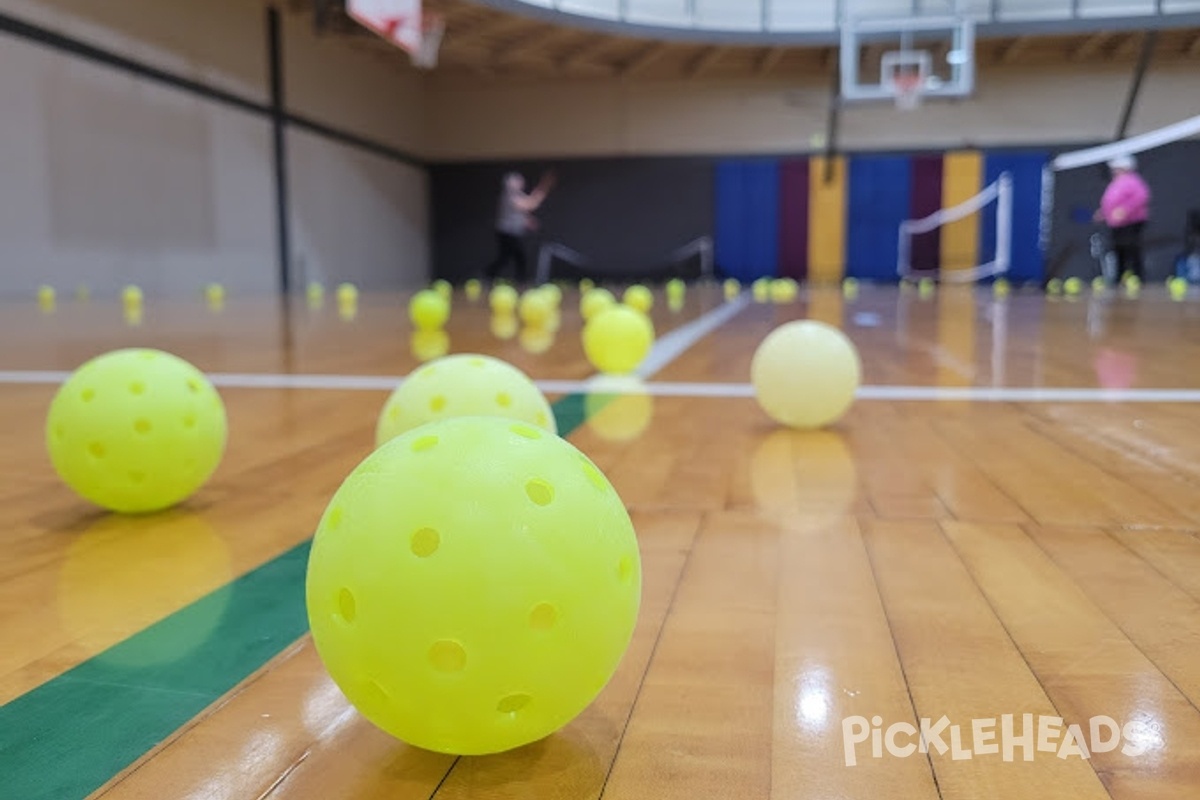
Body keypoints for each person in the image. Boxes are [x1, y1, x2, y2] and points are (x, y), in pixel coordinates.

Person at [484, 171, 555, 286]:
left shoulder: (517, 195)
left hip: (511, 232)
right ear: (510, 184)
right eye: (517, 181)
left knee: (506, 257)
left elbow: (522, 211)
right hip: (506, 232)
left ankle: (489, 275)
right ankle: (519, 280)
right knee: (518, 256)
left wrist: (528, 221)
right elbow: (530, 204)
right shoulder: (509, 196)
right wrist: (540, 193)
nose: (521, 183)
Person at [1094, 154, 1151, 284]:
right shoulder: (1117, 182)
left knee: (1130, 248)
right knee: (1119, 249)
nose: (1114, 170)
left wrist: (1124, 210)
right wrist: (1104, 213)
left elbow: (1141, 197)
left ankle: (1137, 276)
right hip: (1117, 225)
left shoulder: (1133, 181)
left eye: (1117, 168)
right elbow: (1111, 203)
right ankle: (1119, 278)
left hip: (1131, 223)